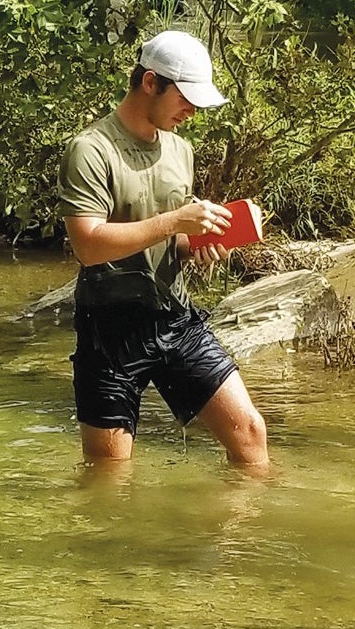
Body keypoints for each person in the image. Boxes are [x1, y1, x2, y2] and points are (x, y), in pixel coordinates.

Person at [59, 30, 270, 471]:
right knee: (109, 478)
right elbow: (88, 245)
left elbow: (166, 237)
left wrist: (195, 244)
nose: (192, 111)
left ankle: (243, 541)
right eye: (186, 97)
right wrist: (174, 222)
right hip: (108, 333)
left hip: (174, 319)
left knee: (251, 437)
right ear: (150, 82)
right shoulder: (91, 150)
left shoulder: (181, 150)